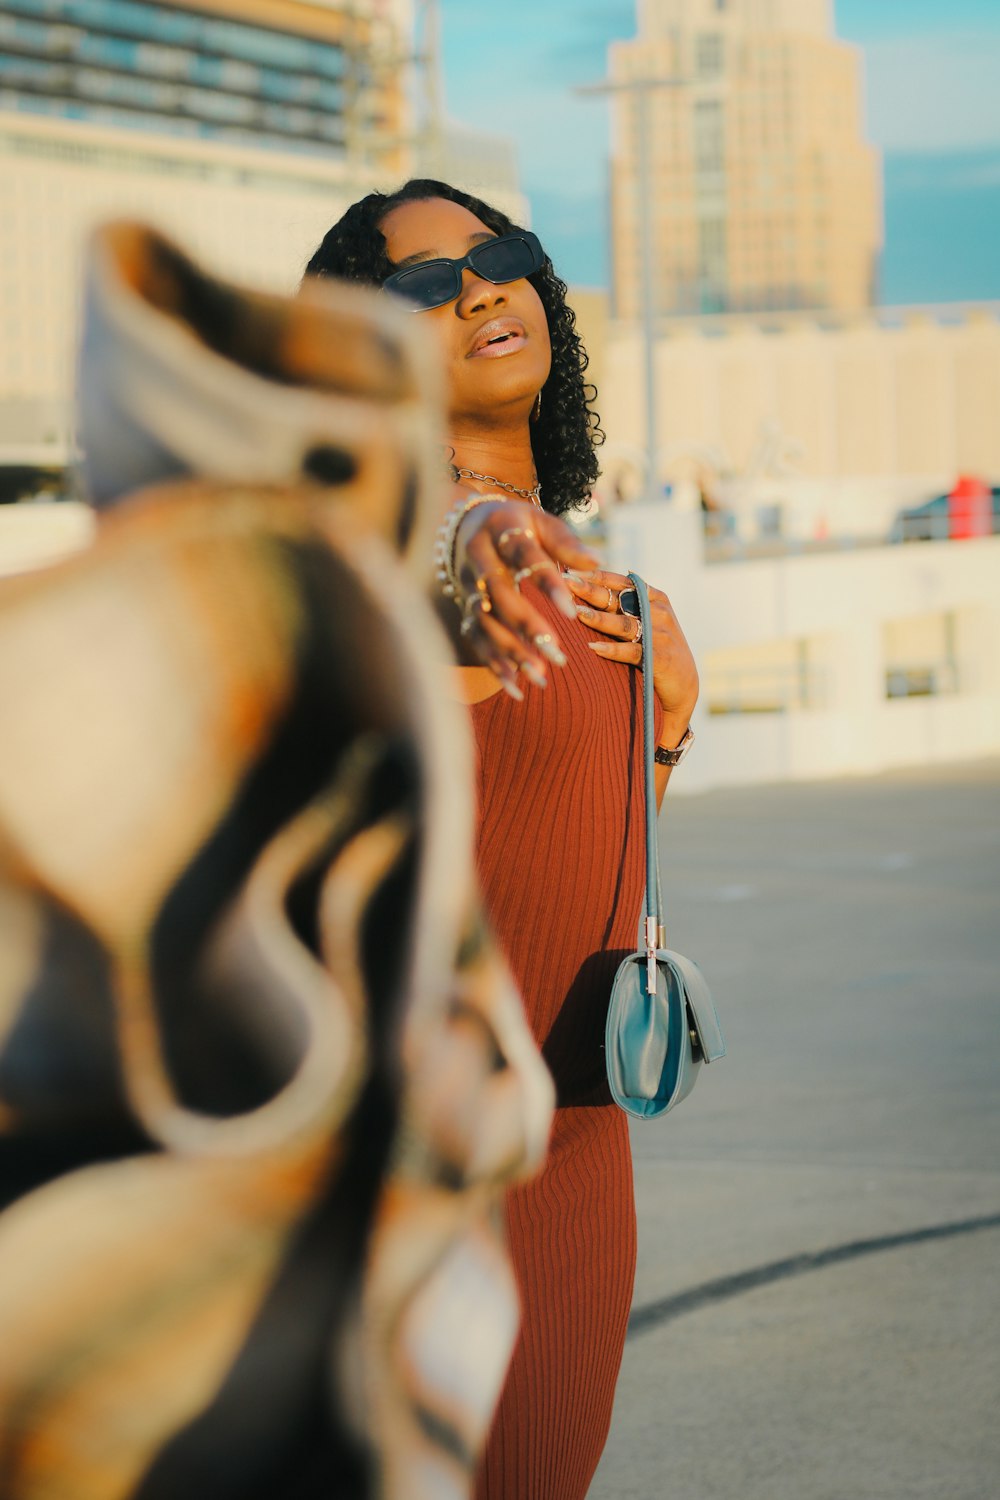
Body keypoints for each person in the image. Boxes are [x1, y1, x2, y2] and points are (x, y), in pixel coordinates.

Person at [304, 180, 699, 1500]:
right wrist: (474, 536)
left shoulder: (588, 566)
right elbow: (419, 564)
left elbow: (577, 823)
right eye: (421, 286)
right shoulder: (415, 539)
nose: (477, 289)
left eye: (499, 258)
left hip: (586, 1147)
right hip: (431, 1175)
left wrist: (657, 691)